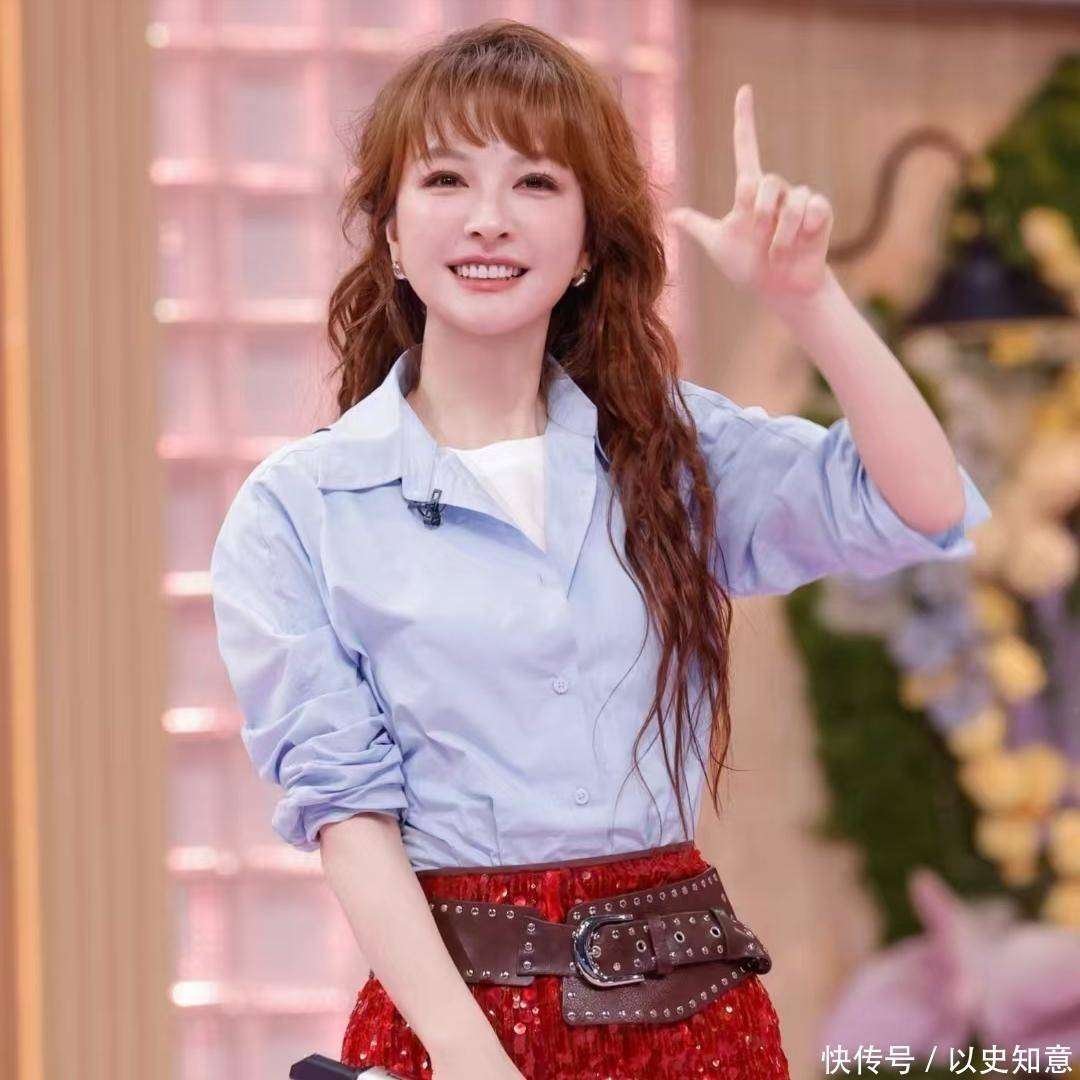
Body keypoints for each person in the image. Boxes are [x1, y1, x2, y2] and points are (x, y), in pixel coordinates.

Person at [208, 19, 991, 1080]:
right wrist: (471, 1059)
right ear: (389, 232)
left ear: (586, 246)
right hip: (455, 1021)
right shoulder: (299, 508)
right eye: (446, 179)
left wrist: (808, 299)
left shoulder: (670, 451)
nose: (489, 219)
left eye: (535, 182)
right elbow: (346, 812)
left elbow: (919, 501)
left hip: (693, 1015)